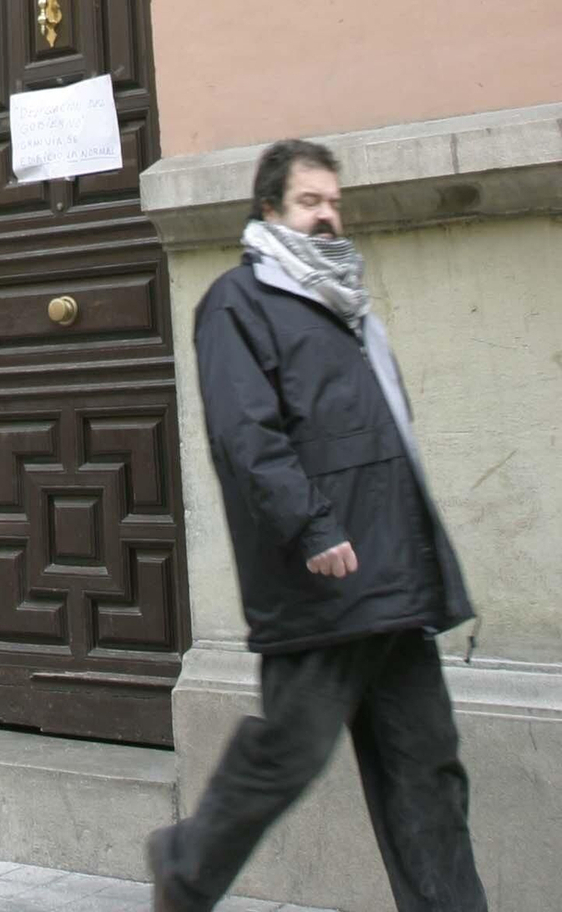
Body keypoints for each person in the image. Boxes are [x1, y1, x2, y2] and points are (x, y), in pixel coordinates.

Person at [148, 138, 485, 912]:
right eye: (309, 202)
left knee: (428, 772)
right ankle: (186, 863)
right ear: (270, 210)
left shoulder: (344, 303)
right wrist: (311, 528)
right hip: (322, 577)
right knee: (289, 753)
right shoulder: (238, 301)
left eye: (334, 201)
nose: (327, 215)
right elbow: (247, 435)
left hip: (393, 576)